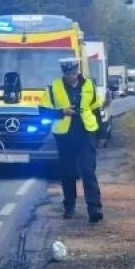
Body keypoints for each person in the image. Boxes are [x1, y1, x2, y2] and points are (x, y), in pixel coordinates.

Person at [39, 57, 103, 223]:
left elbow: (96, 110)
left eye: (74, 73)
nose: (71, 76)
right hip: (64, 135)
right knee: (68, 173)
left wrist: (101, 135)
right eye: (68, 74)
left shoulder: (89, 85)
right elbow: (43, 111)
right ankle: (69, 206)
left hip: (86, 133)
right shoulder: (54, 87)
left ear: (77, 70)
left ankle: (94, 209)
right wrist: (62, 112)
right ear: (64, 73)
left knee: (88, 172)